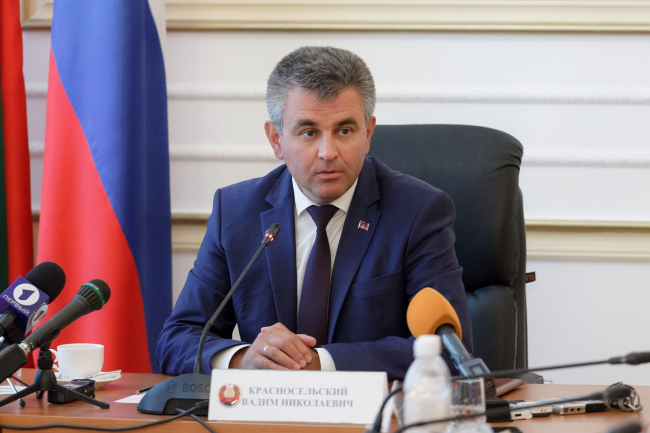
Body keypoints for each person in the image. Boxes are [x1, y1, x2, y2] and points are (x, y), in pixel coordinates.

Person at [156, 46, 472, 381]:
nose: (327, 152)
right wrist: (243, 359)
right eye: (309, 132)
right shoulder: (236, 212)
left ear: (368, 134)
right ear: (276, 139)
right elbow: (177, 340)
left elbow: (450, 350)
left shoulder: (419, 211)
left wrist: (320, 363)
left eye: (344, 131)